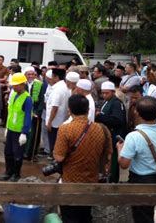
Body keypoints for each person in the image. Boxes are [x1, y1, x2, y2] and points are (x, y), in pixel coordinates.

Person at [54, 95, 112, 223]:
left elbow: (59, 157)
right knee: (85, 215)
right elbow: (108, 155)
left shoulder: (65, 129)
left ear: (69, 110)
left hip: (70, 181)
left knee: (70, 216)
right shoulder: (102, 129)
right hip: (91, 181)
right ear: (88, 109)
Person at [117, 97, 156, 223]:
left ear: (136, 112)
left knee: (142, 215)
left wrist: (119, 150)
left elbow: (124, 164)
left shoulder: (133, 136)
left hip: (141, 180)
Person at [0, 73, 32, 182]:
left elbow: (28, 116)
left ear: (22, 84)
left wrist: (24, 132)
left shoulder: (27, 99)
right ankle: (8, 172)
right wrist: (7, 127)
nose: (14, 87)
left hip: (19, 131)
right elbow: (10, 113)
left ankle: (16, 174)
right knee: (8, 152)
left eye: (16, 85)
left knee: (17, 154)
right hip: (11, 129)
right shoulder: (13, 95)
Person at [95, 81, 127, 183]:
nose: (104, 95)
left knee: (112, 161)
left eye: (107, 93)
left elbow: (117, 120)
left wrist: (100, 116)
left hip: (113, 137)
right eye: (103, 93)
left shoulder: (116, 103)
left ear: (113, 92)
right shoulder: (106, 102)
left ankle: (113, 180)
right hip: (106, 135)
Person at [46, 68, 70, 158]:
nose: (50, 78)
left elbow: (54, 107)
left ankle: (55, 160)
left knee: (54, 143)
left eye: (52, 76)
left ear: (56, 77)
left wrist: (49, 122)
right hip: (61, 120)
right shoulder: (64, 87)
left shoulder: (58, 89)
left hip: (55, 122)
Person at [22, 67, 44, 161]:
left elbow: (42, 100)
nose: (30, 76)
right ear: (25, 75)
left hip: (35, 113)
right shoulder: (22, 84)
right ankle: (23, 152)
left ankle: (32, 153)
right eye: (28, 74)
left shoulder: (40, 84)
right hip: (23, 113)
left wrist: (37, 112)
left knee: (33, 134)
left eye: (32, 74)